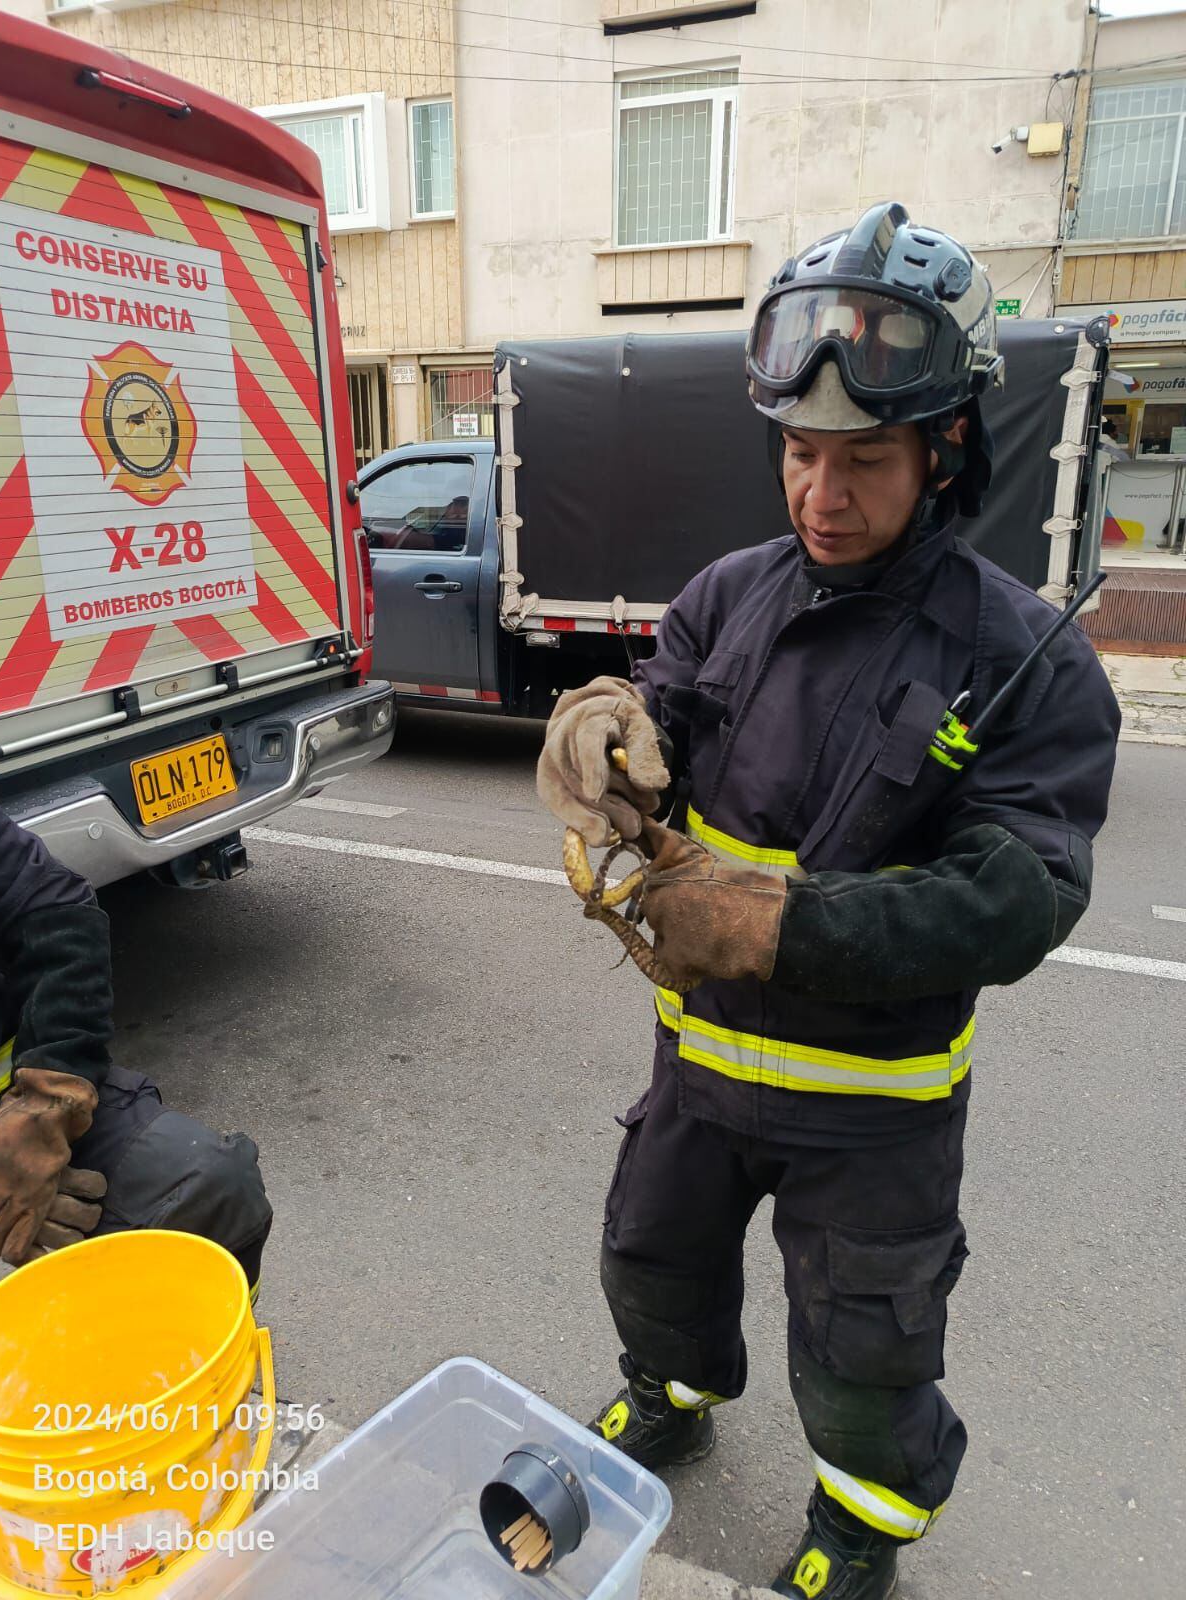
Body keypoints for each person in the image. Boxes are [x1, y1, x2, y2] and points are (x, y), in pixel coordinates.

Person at [537, 202, 1120, 1598]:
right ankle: (672, 1399)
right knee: (651, 1264)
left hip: (879, 1110)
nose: (821, 496)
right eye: (800, 456)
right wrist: (599, 724)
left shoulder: (1027, 662)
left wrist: (783, 928)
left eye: (864, 461)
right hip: (700, 1070)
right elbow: (654, 726)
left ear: (947, 451)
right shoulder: (725, 597)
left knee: (867, 1352)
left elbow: (1022, 896)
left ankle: (862, 1523)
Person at [0, 795, 272, 1288]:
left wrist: (46, 1103)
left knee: (208, 1191)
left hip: (8, 1108)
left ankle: (197, 1361)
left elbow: (55, 909)